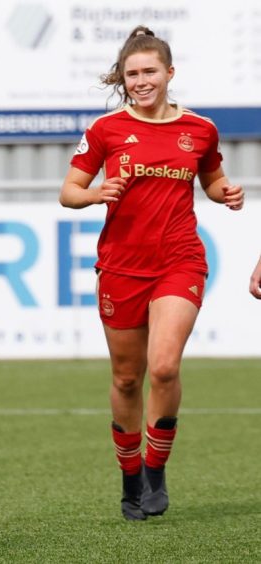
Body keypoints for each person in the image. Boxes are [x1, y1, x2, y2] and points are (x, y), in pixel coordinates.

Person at [59, 26, 243, 521]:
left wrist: (227, 192)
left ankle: (156, 470)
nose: (141, 81)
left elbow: (211, 179)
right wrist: (96, 193)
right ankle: (129, 479)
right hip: (121, 265)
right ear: (123, 77)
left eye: (149, 71)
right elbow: (69, 191)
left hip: (179, 260)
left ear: (169, 73)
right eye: (132, 73)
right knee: (125, 379)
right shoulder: (106, 130)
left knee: (163, 367)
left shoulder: (201, 130)